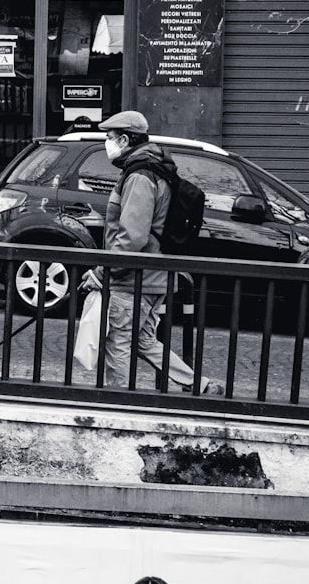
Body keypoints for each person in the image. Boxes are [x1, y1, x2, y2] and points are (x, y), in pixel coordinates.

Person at [82, 110, 224, 395]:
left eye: (109, 138)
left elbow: (132, 237)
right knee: (142, 340)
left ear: (124, 139)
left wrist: (101, 273)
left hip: (133, 278)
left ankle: (118, 404)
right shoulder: (152, 168)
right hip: (153, 274)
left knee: (119, 341)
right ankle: (201, 386)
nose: (107, 144)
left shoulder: (140, 176)